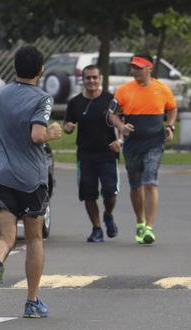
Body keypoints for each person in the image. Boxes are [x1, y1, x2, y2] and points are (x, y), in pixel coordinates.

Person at [0, 45, 61, 318]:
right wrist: (52, 132)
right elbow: (37, 135)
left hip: (1, 176)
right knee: (34, 238)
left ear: (14, 68)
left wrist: (7, 128)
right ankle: (32, 301)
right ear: (41, 70)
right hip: (31, 180)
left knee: (5, 237)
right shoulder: (43, 99)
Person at [108, 54, 177, 245]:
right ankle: (140, 222)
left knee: (150, 182)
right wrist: (121, 127)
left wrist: (170, 127)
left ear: (150, 69)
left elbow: (172, 108)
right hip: (132, 144)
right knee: (135, 185)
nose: (134, 71)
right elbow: (111, 115)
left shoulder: (162, 90)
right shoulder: (123, 91)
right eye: (133, 67)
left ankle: (149, 228)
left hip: (154, 142)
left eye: (139, 67)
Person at [63, 64, 121, 243]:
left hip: (108, 154)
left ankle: (108, 215)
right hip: (86, 155)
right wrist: (68, 127)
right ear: (83, 80)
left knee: (110, 192)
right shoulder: (75, 103)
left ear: (100, 79)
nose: (91, 81)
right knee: (89, 194)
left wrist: (119, 141)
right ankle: (96, 229)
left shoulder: (111, 100)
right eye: (88, 78)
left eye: (95, 77)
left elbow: (121, 123)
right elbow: (67, 125)